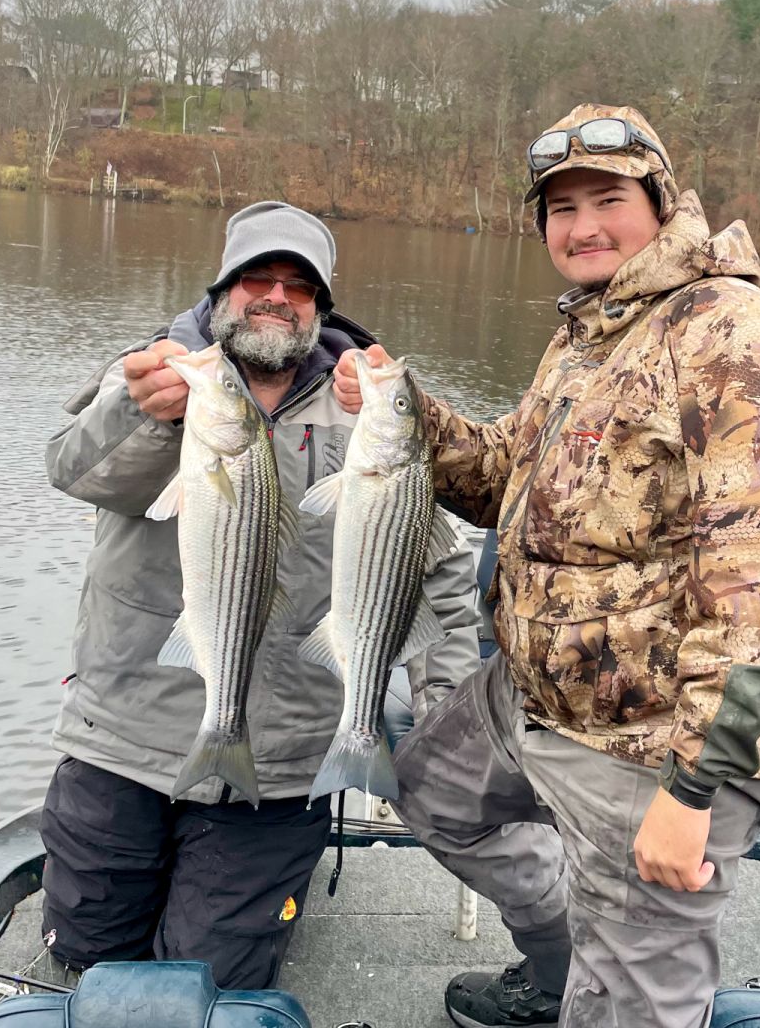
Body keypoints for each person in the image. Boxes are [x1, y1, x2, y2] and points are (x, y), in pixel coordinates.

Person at [334, 105, 760, 1028]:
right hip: (536, 697)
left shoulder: (731, 334)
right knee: (429, 792)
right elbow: (506, 479)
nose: (583, 226)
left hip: (659, 742)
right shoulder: (589, 336)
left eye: (608, 200)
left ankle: (603, 981)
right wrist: (405, 418)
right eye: (561, 208)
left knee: (636, 999)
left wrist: (693, 790)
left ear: (662, 205)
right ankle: (561, 966)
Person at [39, 200, 482, 989]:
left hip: (281, 763)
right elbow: (73, 471)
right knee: (88, 953)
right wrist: (144, 417)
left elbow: (438, 571)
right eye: (256, 278)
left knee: (214, 977)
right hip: (125, 737)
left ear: (321, 306)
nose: (276, 297)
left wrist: (440, 710)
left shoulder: (371, 407)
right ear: (221, 291)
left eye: (299, 286)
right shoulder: (156, 374)